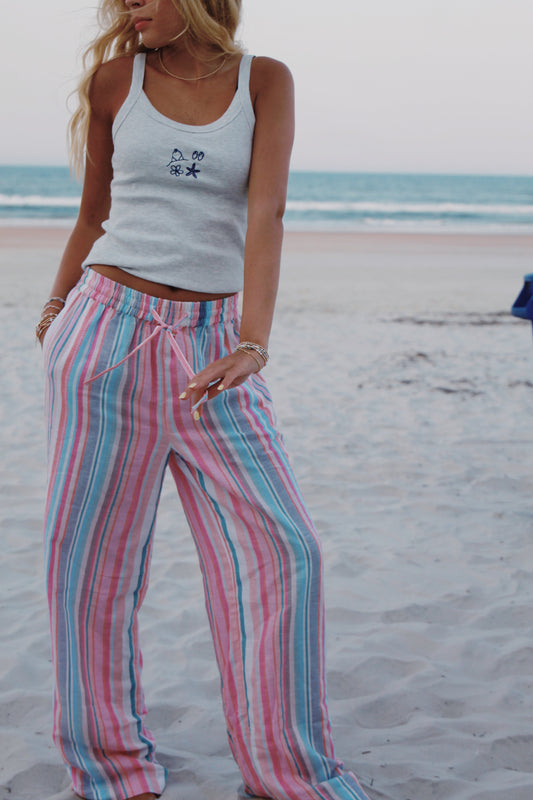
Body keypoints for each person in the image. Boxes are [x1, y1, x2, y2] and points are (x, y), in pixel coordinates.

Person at [38, 2, 372, 799]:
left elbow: (266, 211)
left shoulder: (266, 82)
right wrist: (54, 314)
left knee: (285, 547)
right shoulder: (116, 79)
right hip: (104, 336)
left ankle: (287, 773)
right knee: (91, 567)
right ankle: (114, 774)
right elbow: (93, 214)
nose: (127, 8)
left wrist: (252, 340)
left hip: (214, 346)